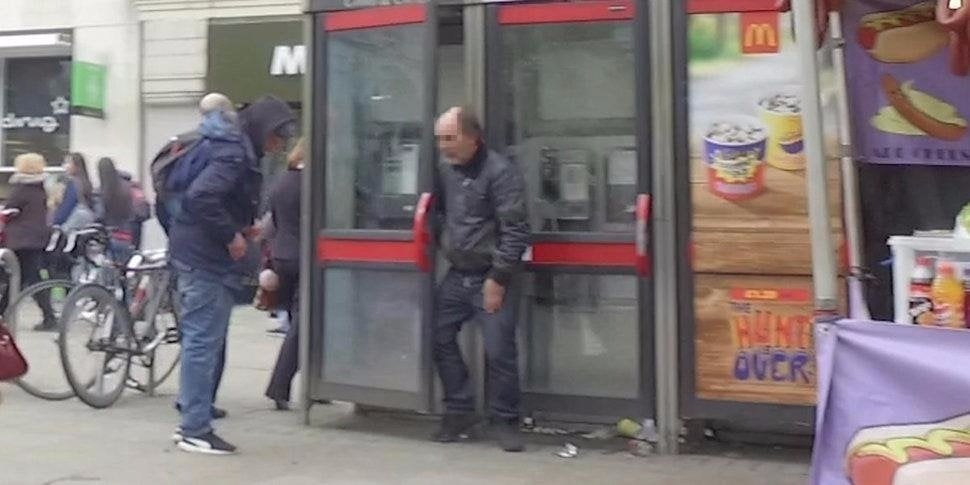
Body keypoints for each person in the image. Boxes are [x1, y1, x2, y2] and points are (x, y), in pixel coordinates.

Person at [169, 94, 295, 455]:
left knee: (205, 340)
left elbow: (214, 199)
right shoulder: (233, 152)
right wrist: (231, 235)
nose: (278, 147)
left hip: (199, 251)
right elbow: (202, 197)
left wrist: (242, 226)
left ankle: (196, 414)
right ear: (263, 131)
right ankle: (193, 428)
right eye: (277, 138)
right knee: (201, 342)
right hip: (204, 256)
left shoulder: (233, 146)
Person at [431, 107, 530, 452]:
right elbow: (439, 212)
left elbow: (516, 231)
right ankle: (459, 409)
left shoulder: (500, 173)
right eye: (439, 139)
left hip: (492, 275)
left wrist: (498, 278)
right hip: (458, 274)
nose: (443, 147)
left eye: (449, 138)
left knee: (499, 350)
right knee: (437, 335)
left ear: (472, 137)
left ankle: (505, 420)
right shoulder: (447, 171)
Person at [264, 138, 306, 410]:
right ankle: (279, 387)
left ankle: (313, 381)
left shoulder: (282, 181)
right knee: (304, 327)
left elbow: (275, 221)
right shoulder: (313, 183)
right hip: (305, 257)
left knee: (296, 323)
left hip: (282, 255)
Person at [5, 153, 56, 331]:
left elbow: (9, 211)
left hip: (21, 239)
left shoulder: (21, 189)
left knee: (25, 278)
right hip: (37, 238)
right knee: (22, 278)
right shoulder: (42, 188)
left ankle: (49, 317)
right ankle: (4, 313)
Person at [96, 157, 135, 264]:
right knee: (124, 273)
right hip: (126, 235)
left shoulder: (103, 191)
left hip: (110, 236)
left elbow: (100, 215)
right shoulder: (126, 187)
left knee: (109, 275)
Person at [51, 152, 95, 230]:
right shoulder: (86, 182)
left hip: (71, 226)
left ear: (76, 166)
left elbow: (66, 207)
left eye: (67, 163)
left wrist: (54, 222)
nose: (64, 166)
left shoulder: (72, 184)